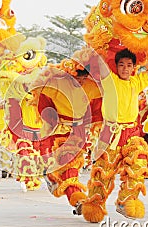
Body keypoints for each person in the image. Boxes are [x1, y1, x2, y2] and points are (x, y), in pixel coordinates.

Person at [81, 48, 148, 223]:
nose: (125, 68)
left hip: (132, 134)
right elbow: (95, 62)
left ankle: (126, 201)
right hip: (110, 135)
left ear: (133, 68)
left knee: (138, 164)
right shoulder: (110, 81)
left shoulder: (136, 82)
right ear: (116, 67)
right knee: (103, 174)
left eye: (129, 65)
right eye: (121, 65)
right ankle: (94, 206)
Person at [38, 62, 102, 215]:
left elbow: (97, 108)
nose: (80, 81)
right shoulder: (57, 84)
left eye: (84, 77)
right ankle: (77, 198)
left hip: (79, 133)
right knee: (69, 166)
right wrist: (52, 118)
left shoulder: (92, 87)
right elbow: (43, 101)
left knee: (72, 166)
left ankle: (53, 177)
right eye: (77, 77)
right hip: (60, 131)